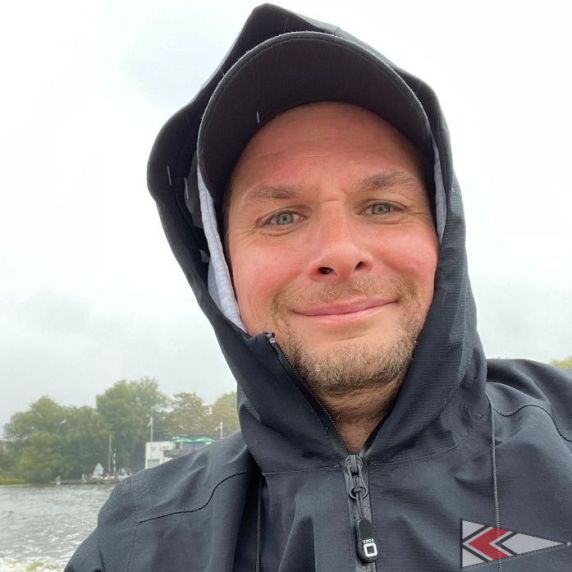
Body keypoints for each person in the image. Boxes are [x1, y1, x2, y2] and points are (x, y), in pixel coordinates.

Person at [66, 4, 572, 571]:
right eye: (282, 217)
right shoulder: (134, 545)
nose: (339, 252)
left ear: (443, 239)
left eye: (382, 206)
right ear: (222, 274)